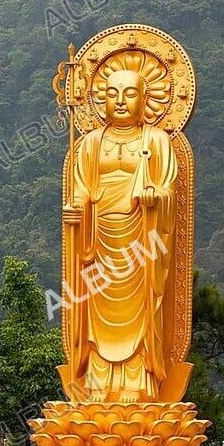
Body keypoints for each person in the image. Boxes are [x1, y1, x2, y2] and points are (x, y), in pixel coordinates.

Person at [63, 68, 177, 403]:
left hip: (141, 241)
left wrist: (155, 197)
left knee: (141, 312)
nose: (121, 101)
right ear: (101, 100)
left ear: (146, 99)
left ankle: (137, 384)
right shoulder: (89, 144)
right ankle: (99, 385)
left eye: (130, 93)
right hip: (98, 241)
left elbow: (169, 188)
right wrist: (76, 209)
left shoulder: (155, 141)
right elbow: (82, 189)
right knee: (97, 317)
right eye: (113, 94)